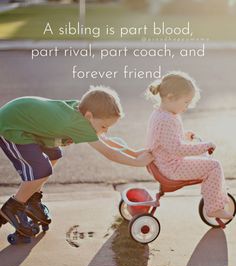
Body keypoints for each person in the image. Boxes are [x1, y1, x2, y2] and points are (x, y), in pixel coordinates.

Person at [0, 86, 154, 236]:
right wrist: (137, 163)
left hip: (27, 121)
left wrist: (134, 153)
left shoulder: (83, 113)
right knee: (40, 170)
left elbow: (105, 140)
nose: (105, 130)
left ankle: (32, 199)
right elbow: (109, 153)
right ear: (89, 117)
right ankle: (14, 206)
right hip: (12, 126)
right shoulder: (80, 125)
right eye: (104, 126)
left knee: (54, 154)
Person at [145, 71, 232, 220]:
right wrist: (204, 146)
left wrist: (184, 135)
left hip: (164, 162)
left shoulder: (161, 114)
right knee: (214, 166)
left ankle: (213, 195)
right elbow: (177, 149)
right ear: (170, 97)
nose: (188, 107)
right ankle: (214, 208)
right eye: (186, 102)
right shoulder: (167, 119)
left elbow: (166, 140)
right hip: (171, 168)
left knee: (206, 162)